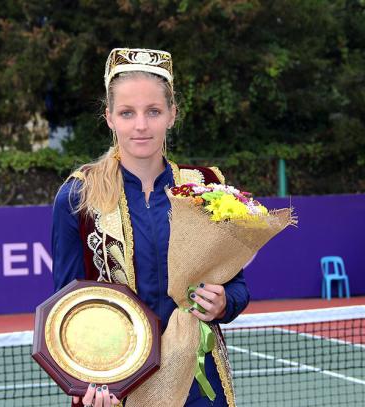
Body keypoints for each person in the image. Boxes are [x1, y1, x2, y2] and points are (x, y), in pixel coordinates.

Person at [51, 48, 249, 407]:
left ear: (172, 115)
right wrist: (87, 384)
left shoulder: (205, 186)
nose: (141, 125)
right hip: (115, 385)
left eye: (153, 111)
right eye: (127, 113)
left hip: (199, 382)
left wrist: (223, 303)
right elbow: (68, 305)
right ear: (109, 117)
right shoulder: (77, 195)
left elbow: (237, 287)